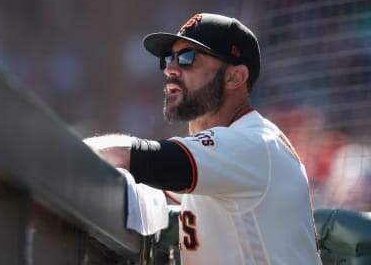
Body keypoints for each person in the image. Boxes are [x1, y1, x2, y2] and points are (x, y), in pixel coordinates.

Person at [84, 13, 322, 264]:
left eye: (187, 58)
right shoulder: (223, 160)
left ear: (235, 77)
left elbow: (126, 156)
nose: (170, 69)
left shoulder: (254, 142)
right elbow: (148, 179)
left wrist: (62, 154)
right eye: (168, 58)